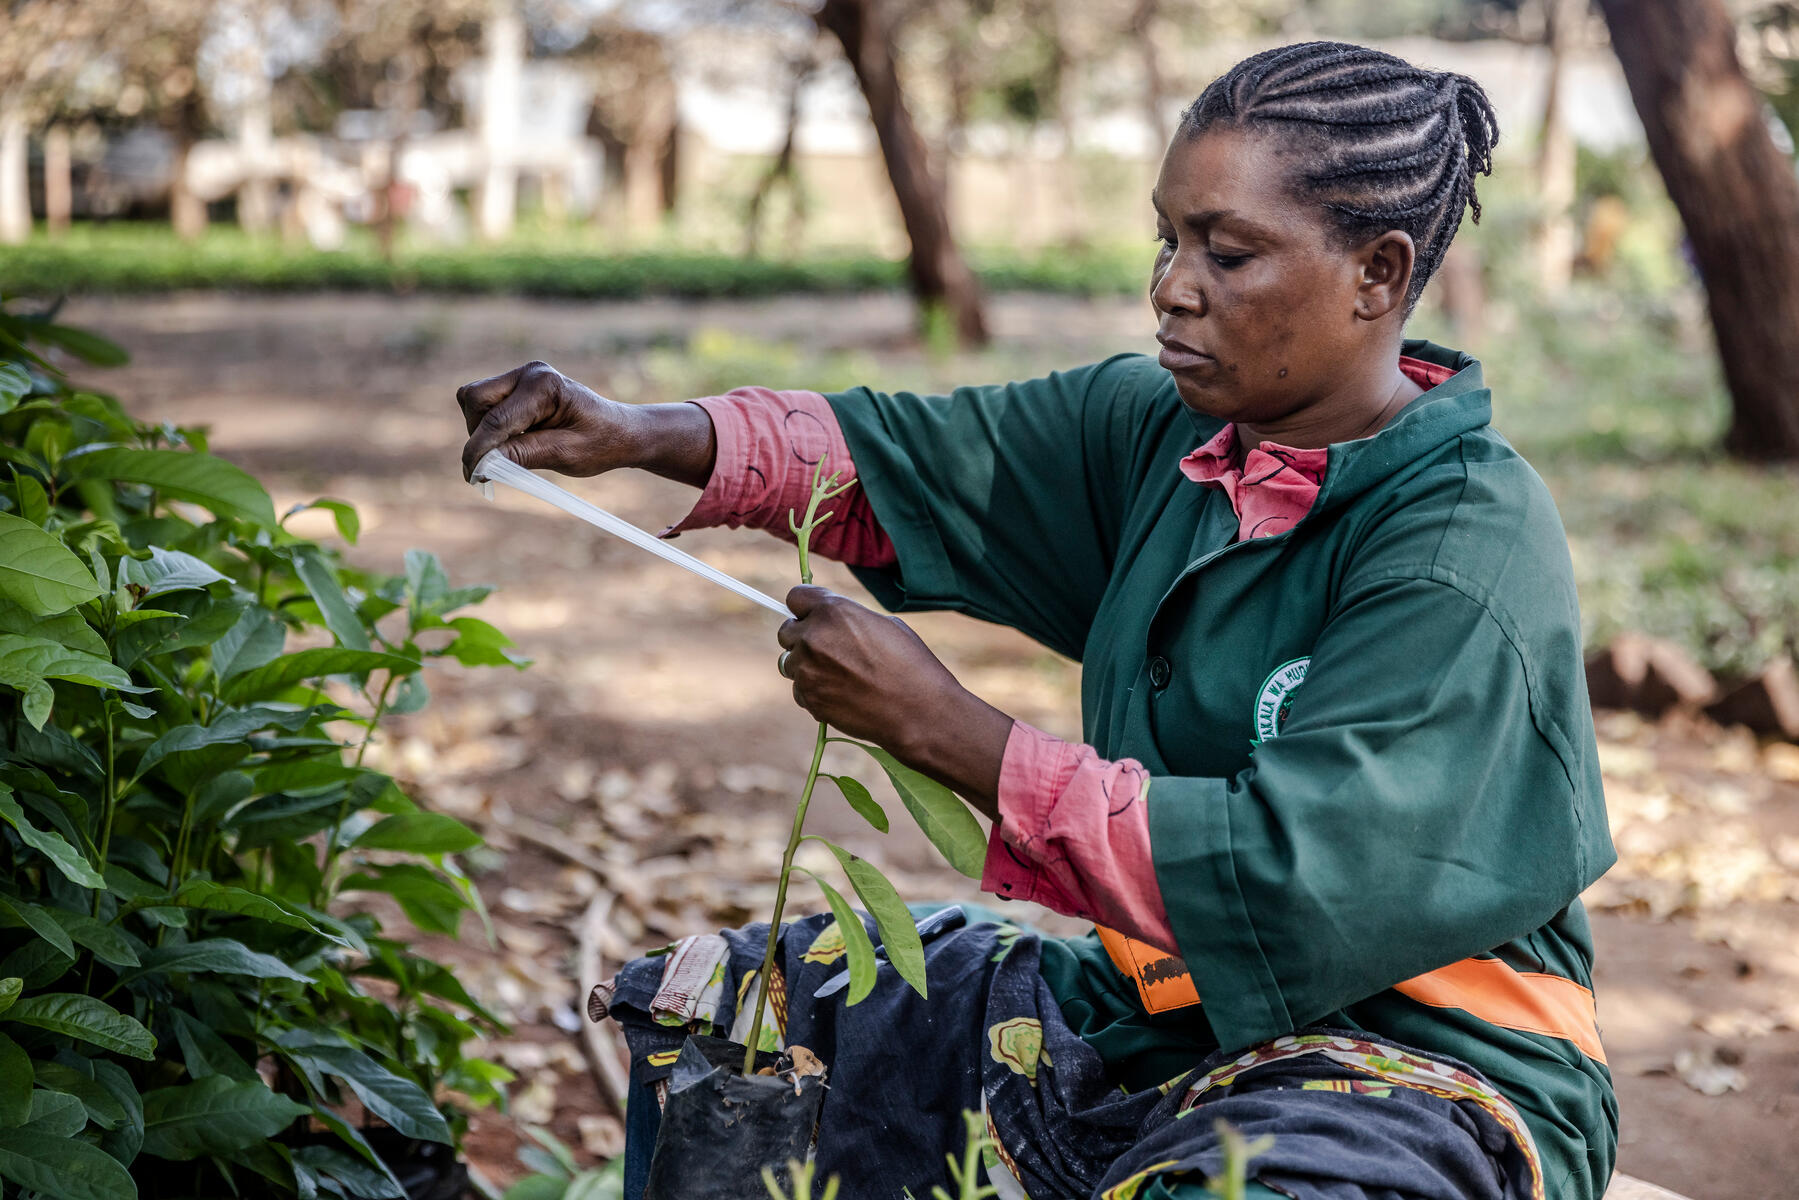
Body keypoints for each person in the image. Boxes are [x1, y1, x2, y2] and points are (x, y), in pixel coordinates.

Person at [457, 41, 1616, 1200]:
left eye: (1228, 250)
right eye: (1168, 238)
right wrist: (633, 431)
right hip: (1171, 1013)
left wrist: (944, 730)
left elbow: (1285, 883)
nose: (1171, 284)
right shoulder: (1165, 437)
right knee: (744, 1011)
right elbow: (901, 458)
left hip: (1426, 1067)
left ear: (1376, 271)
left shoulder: (1460, 547)